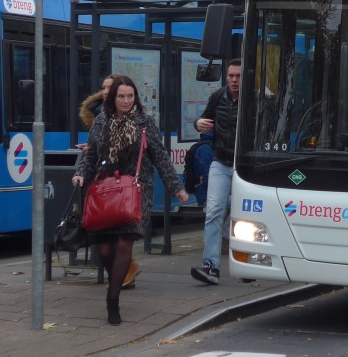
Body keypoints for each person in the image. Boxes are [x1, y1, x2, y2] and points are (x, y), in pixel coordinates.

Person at [74, 75, 188, 325]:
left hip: (136, 192)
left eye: (130, 96)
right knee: (104, 249)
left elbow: (160, 156)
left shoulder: (145, 122)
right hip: (106, 191)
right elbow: (91, 155)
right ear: (112, 98)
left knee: (125, 245)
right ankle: (115, 283)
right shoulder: (101, 121)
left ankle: (112, 301)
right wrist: (81, 175)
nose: (126, 101)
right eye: (121, 96)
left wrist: (176, 188)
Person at [75, 74, 141, 289]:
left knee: (119, 237)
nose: (105, 91)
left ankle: (118, 284)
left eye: (109, 88)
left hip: (122, 184)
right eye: (103, 87)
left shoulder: (135, 118)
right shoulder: (96, 113)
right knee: (105, 241)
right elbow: (95, 148)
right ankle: (121, 273)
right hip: (100, 183)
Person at [191, 58, 241, 285]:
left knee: (248, 215)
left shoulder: (255, 98)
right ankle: (210, 266)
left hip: (246, 166)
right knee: (213, 212)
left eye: (238, 76)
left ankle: (252, 263)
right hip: (220, 162)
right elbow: (204, 119)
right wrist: (197, 123)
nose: (234, 80)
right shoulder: (218, 97)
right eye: (231, 76)